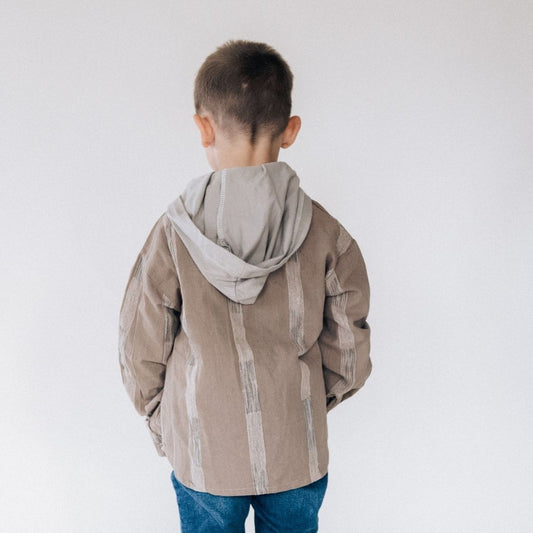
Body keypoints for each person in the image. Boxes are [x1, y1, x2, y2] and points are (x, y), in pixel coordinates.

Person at [118, 39, 372, 533]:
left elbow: (139, 343)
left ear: (203, 127)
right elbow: (351, 351)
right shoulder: (328, 234)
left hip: (204, 452)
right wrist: (301, 407)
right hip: (295, 450)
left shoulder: (173, 234)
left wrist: (167, 420)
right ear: (290, 130)